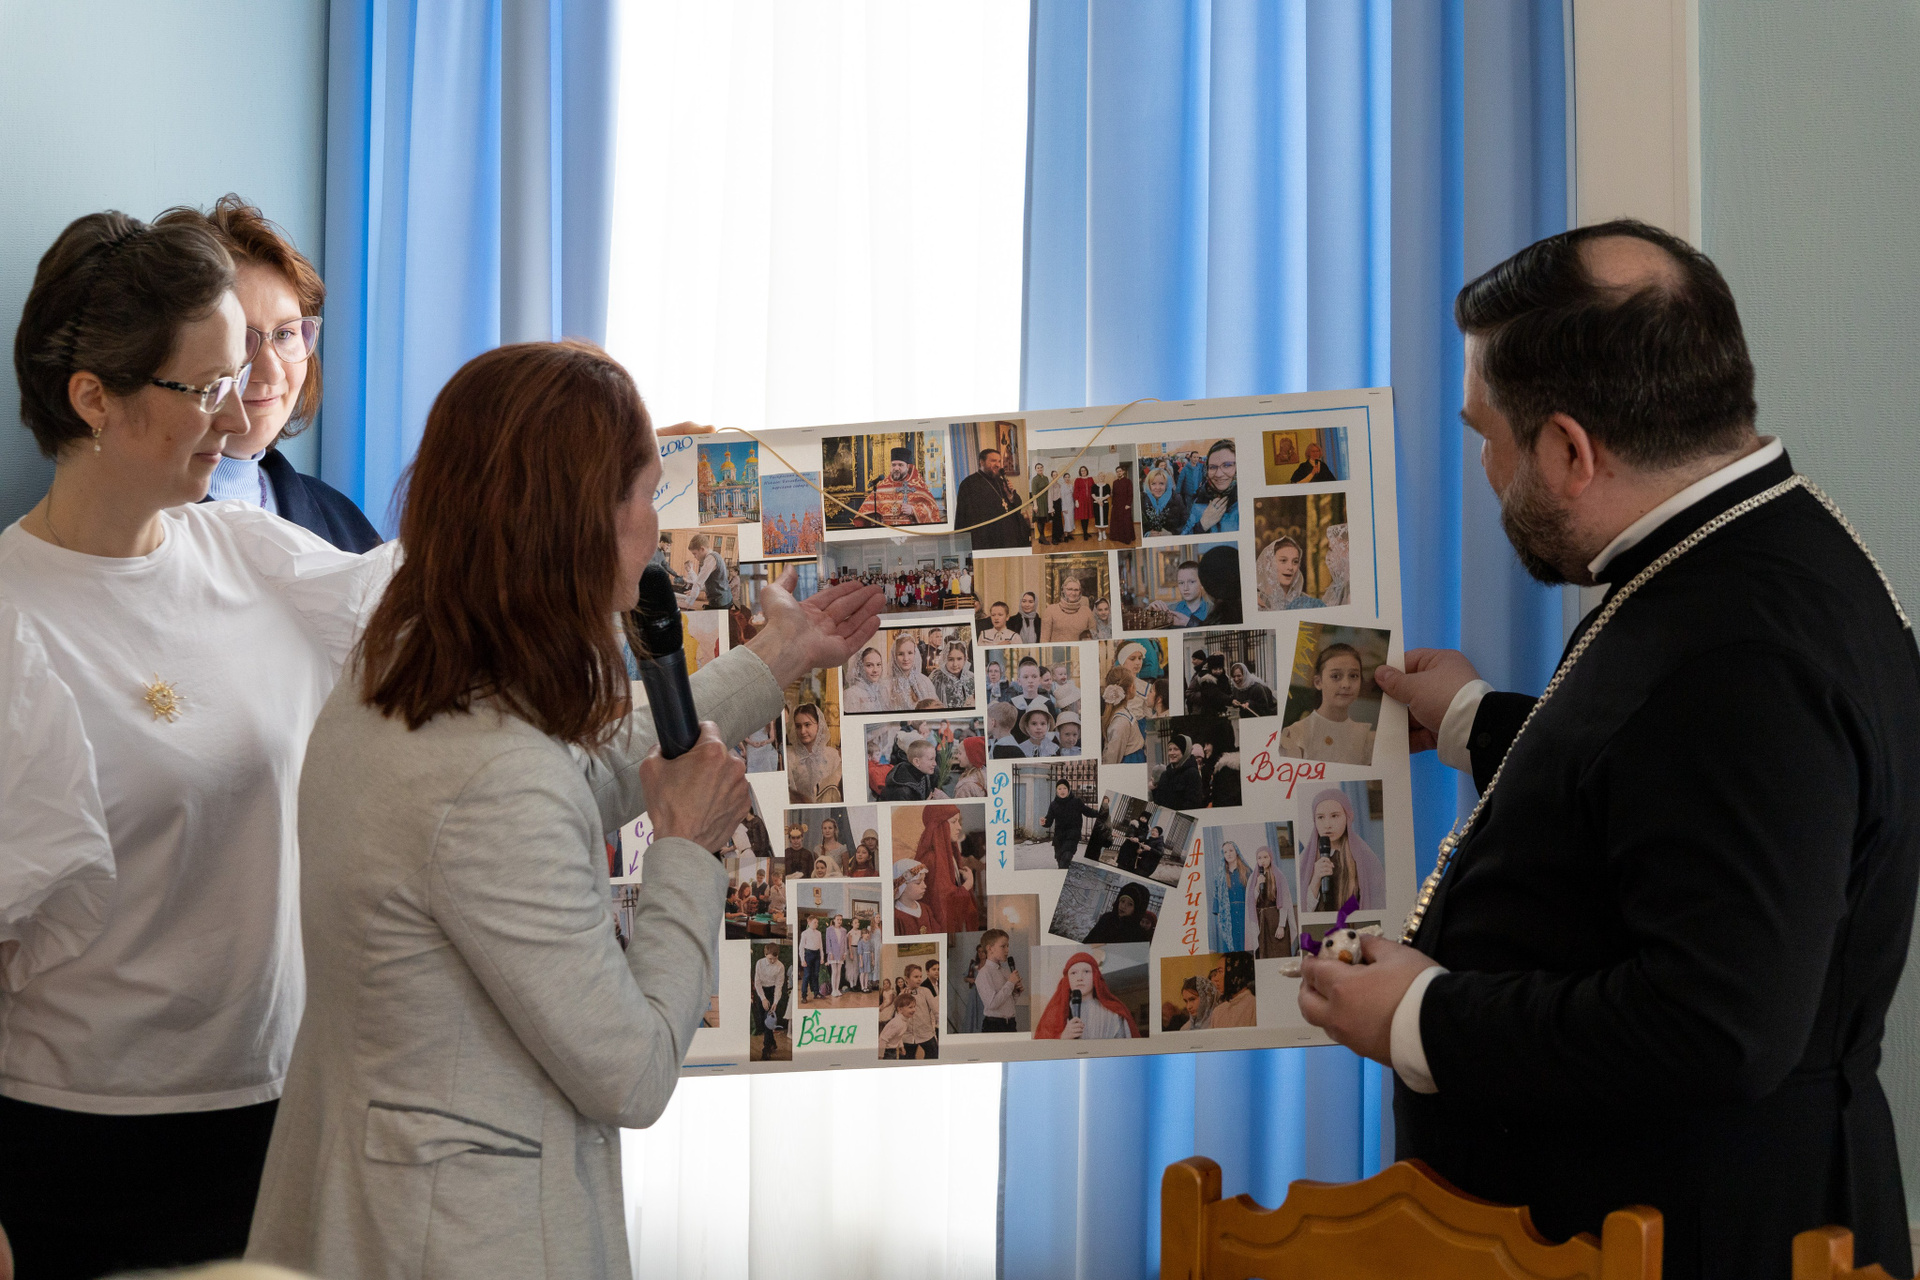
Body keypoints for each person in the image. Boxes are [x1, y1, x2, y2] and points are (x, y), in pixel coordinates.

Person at [1296, 221, 1920, 1280]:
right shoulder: (1748, 546)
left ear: (1571, 451)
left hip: (1695, 1237)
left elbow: (1715, 1023)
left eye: (1488, 435)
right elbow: (1665, 786)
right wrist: (1478, 721)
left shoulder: (1742, 652)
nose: (1486, 468)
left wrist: (1422, 1017)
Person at [245, 341, 881, 1276]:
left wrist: (777, 657)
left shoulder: (404, 663)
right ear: (581, 521)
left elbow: (575, 765)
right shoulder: (487, 771)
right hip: (461, 1238)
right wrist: (686, 847)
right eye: (647, 498)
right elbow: (632, 1071)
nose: (655, 534)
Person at [0, 209, 397, 1277]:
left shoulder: (254, 555)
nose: (242, 407)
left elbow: (458, 624)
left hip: (285, 1112)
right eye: (208, 384)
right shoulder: (13, 622)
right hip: (84, 1149)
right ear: (94, 398)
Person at [158, 196, 380, 551]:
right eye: (238, 338)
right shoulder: (131, 526)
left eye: (285, 333)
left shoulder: (342, 520)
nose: (271, 370)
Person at [1278, 643, 1376, 765]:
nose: (1346, 684)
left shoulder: (1366, 739)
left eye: (1353, 676)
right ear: (1318, 682)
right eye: (1335, 676)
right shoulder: (1296, 735)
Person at [911, 803, 979, 934]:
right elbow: (943, 904)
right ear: (940, 825)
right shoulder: (932, 859)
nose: (959, 827)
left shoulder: (949, 854)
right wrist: (968, 883)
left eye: (958, 821)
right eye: (954, 822)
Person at [1034, 954, 1138, 1039]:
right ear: (1067, 980)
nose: (1079, 978)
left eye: (1086, 971)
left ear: (1095, 977)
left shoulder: (1113, 1013)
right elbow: (1042, 1049)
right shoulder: (1054, 1013)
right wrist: (1063, 1037)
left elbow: (1126, 1048)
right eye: (1073, 973)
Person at [954, 447, 1028, 548]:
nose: (998, 465)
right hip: (987, 538)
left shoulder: (1001, 481)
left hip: (1008, 536)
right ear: (981, 462)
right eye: (993, 461)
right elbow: (964, 516)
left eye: (999, 461)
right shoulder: (969, 484)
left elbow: (1018, 505)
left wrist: (1010, 496)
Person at [853, 445, 942, 526]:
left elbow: (932, 509)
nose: (896, 468)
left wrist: (913, 510)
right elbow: (865, 512)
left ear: (907, 467)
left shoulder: (917, 485)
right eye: (893, 465)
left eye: (900, 465)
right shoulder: (882, 486)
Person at [1209, 840, 1260, 953]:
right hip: (1228, 916)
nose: (1229, 854)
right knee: (1231, 949)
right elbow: (1216, 896)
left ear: (1236, 852)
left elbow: (1255, 893)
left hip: (1245, 914)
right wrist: (1220, 915)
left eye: (1231, 850)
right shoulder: (1220, 876)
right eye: (1225, 852)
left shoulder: (1247, 871)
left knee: (1246, 946)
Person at [787, 702, 843, 801]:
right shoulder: (789, 756)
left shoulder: (833, 756)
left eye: (807, 725)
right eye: (798, 726)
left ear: (819, 725)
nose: (802, 731)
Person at [1181, 440, 1239, 533]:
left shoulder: (1249, 502)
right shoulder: (1199, 501)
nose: (1218, 474)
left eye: (1227, 465)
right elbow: (1185, 534)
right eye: (1213, 467)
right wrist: (1201, 526)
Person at [1256, 534, 1324, 611]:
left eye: (1295, 562)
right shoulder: (1256, 603)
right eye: (1283, 560)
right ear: (1270, 564)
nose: (1290, 567)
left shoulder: (1308, 603)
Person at [976, 930, 1023, 1033]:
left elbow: (1007, 1003)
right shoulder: (984, 973)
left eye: (1007, 946)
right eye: (1003, 946)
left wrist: (1015, 992)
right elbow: (992, 1004)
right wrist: (1010, 983)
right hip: (994, 1026)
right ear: (990, 948)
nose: (1007, 950)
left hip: (1010, 1023)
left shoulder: (1005, 972)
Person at [1100, 665, 1148, 764]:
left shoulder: (1124, 713)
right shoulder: (1121, 722)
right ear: (1131, 688)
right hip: (1131, 763)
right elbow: (1112, 758)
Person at [1043, 781, 1095, 870]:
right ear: (1056, 790)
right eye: (1059, 789)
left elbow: (1088, 812)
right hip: (1059, 838)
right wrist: (1044, 822)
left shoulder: (1076, 802)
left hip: (1072, 835)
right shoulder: (1053, 804)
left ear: (1068, 790)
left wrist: (1102, 814)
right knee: (1060, 861)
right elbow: (1049, 821)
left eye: (1064, 788)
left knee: (1066, 858)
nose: (1062, 791)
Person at [1150, 734, 1207, 811]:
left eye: (1176, 749)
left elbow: (1194, 803)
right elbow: (1159, 803)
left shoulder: (1192, 774)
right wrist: (1154, 790)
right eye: (1170, 749)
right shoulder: (1165, 775)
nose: (1171, 753)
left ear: (1184, 751)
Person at [1253, 846, 1292, 957]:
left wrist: (1281, 925)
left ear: (1271, 858)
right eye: (1259, 858)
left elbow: (1284, 902)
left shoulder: (1278, 876)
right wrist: (1257, 885)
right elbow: (1252, 902)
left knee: (1279, 953)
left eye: (1265, 857)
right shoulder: (1254, 878)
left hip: (1275, 919)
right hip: (1261, 922)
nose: (1262, 860)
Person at [880, 738, 947, 801]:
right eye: (931, 759)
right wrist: (925, 805)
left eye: (934, 759)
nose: (935, 764)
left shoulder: (924, 774)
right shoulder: (902, 791)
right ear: (916, 762)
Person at [1085, 883, 1153, 945]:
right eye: (1122, 901)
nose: (1123, 906)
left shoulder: (1138, 937)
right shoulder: (1107, 919)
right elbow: (1088, 942)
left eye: (1130, 904)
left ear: (1137, 909)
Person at [754, 945, 788, 1060]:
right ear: (765, 955)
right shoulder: (759, 963)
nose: (773, 961)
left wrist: (775, 1002)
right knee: (762, 1020)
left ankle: (766, 1048)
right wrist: (763, 998)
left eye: (775, 958)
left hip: (773, 992)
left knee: (768, 1021)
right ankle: (772, 1042)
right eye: (770, 959)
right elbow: (757, 983)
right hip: (761, 992)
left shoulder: (780, 966)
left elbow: (779, 985)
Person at [1207, 953, 1258, 1028]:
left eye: (1220, 971)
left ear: (1236, 971)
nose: (1216, 979)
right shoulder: (1218, 1011)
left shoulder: (1254, 1006)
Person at [1041, 572, 1096, 640]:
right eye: (1069, 589)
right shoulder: (1050, 611)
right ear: (1063, 590)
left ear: (1080, 592)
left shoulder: (1087, 612)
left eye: (1076, 590)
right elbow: (1044, 640)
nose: (1073, 593)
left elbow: (1094, 638)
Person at [1140, 465, 1188, 536]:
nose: (1157, 487)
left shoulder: (1176, 499)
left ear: (1166, 485)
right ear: (1149, 485)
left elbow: (1185, 522)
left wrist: (1172, 533)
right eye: (1153, 484)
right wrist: (1147, 534)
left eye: (1161, 483)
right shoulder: (1142, 500)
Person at [1165, 559, 1212, 627]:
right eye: (1181, 583)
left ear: (1202, 583)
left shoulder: (1212, 611)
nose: (1185, 588)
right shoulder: (1170, 610)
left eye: (1191, 582)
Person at [931, 642, 974, 708]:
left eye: (959, 659)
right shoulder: (936, 679)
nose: (955, 664)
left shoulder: (971, 678)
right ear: (945, 659)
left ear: (965, 659)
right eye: (950, 659)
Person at [1108, 461, 1136, 545]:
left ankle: (1126, 538)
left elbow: (1130, 494)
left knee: (1126, 521)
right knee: (1116, 521)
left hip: (1125, 505)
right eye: (1117, 472)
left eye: (1120, 471)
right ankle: (1116, 537)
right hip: (1116, 505)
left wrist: (1128, 504)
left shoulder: (1128, 481)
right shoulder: (1115, 482)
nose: (1119, 473)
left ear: (1123, 472)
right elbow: (1114, 494)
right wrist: (1112, 504)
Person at [824, 916, 849, 997]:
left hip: (841, 953)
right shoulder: (829, 929)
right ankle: (833, 990)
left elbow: (845, 942)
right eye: (838, 919)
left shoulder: (844, 930)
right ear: (834, 920)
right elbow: (828, 942)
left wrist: (845, 953)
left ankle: (837, 989)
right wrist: (830, 953)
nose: (839, 921)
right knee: (834, 971)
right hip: (833, 953)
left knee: (839, 972)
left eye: (840, 919)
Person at [1029, 461, 1053, 544]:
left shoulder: (1046, 478)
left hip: (1045, 501)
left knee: (1043, 520)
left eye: (1041, 467)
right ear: (1035, 469)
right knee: (1040, 520)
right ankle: (1042, 537)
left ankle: (1041, 538)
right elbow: (1034, 493)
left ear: (1043, 468)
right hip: (1038, 502)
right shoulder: (1035, 479)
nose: (1040, 469)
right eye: (1038, 468)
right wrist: (1035, 505)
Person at [1072, 465, 1094, 538]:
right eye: (1082, 471)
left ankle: (1086, 532)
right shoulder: (1078, 480)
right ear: (1080, 472)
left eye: (1084, 470)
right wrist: (1076, 500)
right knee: (1083, 516)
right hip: (1081, 501)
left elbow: (1094, 489)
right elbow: (1076, 491)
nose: (1083, 472)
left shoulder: (1090, 479)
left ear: (1086, 471)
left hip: (1089, 501)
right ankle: (1084, 533)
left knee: (1087, 516)